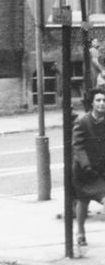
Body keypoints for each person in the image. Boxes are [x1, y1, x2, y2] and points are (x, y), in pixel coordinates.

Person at [74, 87, 105, 249]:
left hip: (101, 170)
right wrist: (86, 166)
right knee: (83, 201)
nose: (102, 103)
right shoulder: (83, 122)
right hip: (84, 171)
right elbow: (78, 147)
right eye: (98, 100)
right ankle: (80, 232)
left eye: (104, 100)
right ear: (92, 103)